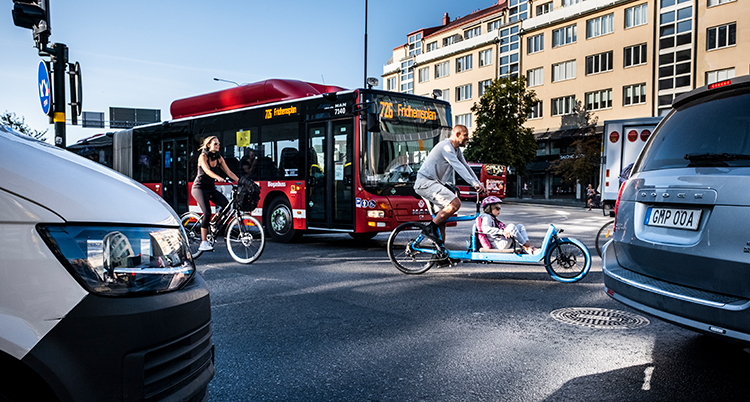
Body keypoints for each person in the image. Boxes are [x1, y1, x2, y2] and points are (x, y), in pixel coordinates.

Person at [414, 124, 487, 244]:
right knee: (455, 203)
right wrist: (474, 184)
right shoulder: (446, 147)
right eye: (465, 135)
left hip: (433, 184)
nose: (468, 138)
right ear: (457, 135)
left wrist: (478, 183)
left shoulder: (456, 150)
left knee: (442, 222)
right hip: (425, 183)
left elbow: (465, 166)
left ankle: (440, 254)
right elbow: (458, 167)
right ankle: (429, 229)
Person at [192, 136, 240, 251]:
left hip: (210, 188)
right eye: (215, 144)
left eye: (218, 144)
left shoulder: (219, 158)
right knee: (207, 212)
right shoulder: (203, 156)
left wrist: (241, 181)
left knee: (226, 206)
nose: (218, 146)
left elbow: (229, 172)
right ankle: (203, 242)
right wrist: (218, 177)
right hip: (199, 188)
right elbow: (207, 171)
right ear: (208, 145)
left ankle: (213, 223)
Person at [475, 196, 540, 254]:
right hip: (498, 244)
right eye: (497, 208)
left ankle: (526, 245)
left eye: (500, 208)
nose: (499, 210)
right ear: (489, 208)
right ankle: (527, 247)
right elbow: (485, 228)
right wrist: (502, 232)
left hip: (500, 240)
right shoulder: (486, 217)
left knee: (520, 226)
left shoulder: (492, 218)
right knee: (511, 227)